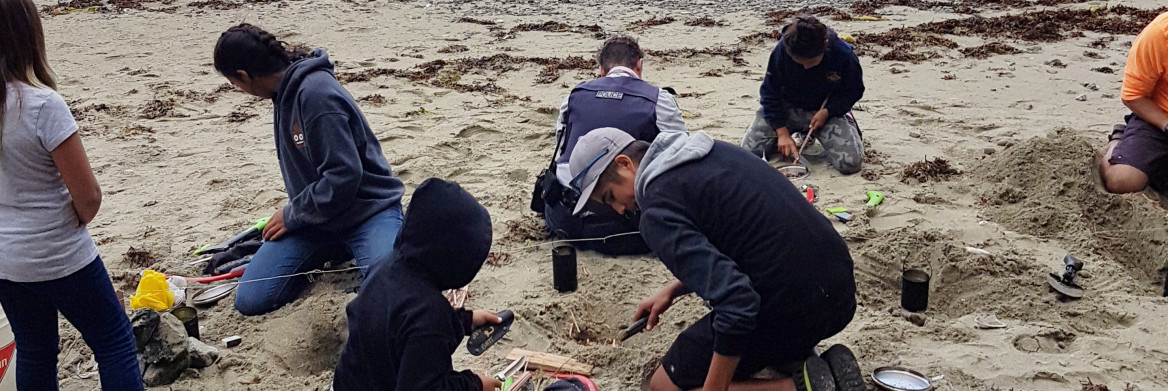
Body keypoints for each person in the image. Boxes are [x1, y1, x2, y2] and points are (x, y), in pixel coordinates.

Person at [567, 128, 860, 391]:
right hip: (840, 294)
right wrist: (674, 289)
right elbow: (745, 239)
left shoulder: (656, 211)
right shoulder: (708, 150)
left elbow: (737, 304)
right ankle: (811, 364)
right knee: (768, 337)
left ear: (624, 163)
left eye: (610, 196)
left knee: (663, 384)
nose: (619, 210)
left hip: (797, 306)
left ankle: (795, 386)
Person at [212, 23, 405, 316]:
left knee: (393, 291)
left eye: (234, 84)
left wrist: (291, 214)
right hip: (318, 221)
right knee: (251, 299)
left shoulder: (316, 94)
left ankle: (376, 246)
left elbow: (343, 176)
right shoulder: (283, 92)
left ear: (243, 75)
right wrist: (300, 217)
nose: (239, 91)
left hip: (368, 211)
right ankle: (335, 253)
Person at [0, 0, 143, 388]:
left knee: (35, 348)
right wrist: (73, 217)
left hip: (7, 259)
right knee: (114, 339)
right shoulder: (42, 105)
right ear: (28, 35)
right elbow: (89, 196)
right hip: (57, 251)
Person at [333, 178, 504, 391]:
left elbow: (402, 327)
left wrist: (463, 321)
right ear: (456, 261)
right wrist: (475, 384)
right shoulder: (431, 315)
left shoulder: (383, 267)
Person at [536, 35, 686, 256]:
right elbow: (681, 157)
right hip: (621, 224)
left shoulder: (574, 95)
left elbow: (560, 146)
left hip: (563, 218)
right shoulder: (659, 100)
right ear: (639, 66)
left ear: (601, 71)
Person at [740, 15, 865, 175]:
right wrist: (782, 133)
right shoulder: (782, 49)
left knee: (850, 164)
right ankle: (788, 136)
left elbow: (854, 90)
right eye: (799, 62)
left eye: (811, 62)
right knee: (748, 155)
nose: (806, 67)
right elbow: (769, 93)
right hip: (785, 107)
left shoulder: (843, 55)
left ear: (824, 46)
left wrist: (829, 111)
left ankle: (849, 122)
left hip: (822, 110)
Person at [1099, 11, 1168, 194]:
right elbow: (1133, 95)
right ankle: (1118, 142)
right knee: (1123, 180)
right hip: (1159, 119)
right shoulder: (1160, 34)